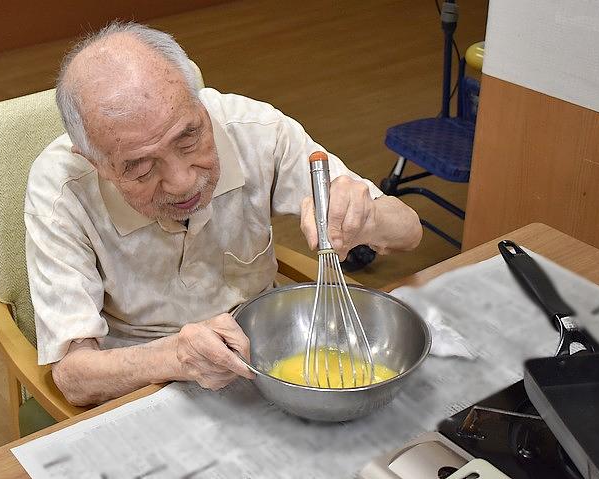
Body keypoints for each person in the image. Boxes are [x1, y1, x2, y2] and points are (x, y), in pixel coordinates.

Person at [25, 21, 422, 406]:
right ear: (93, 161)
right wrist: (175, 357)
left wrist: (366, 218)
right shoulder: (61, 188)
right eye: (141, 167)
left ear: (199, 102)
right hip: (147, 382)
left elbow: (409, 233)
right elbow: (74, 376)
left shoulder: (256, 129)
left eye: (189, 137)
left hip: (267, 358)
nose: (182, 182)